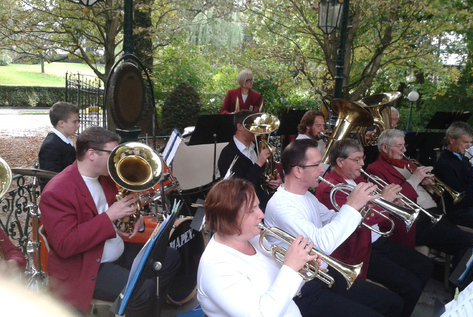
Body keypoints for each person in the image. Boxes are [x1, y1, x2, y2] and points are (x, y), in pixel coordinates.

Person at [39, 126, 180, 316]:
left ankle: (147, 310)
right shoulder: (57, 191)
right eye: (112, 153)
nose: (117, 159)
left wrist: (135, 218)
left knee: (170, 258)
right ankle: (139, 306)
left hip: (115, 251)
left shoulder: (105, 178)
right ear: (91, 154)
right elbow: (65, 245)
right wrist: (109, 217)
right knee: (143, 290)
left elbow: (119, 210)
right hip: (87, 266)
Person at [265, 138, 404, 317]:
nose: (322, 169)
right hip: (303, 289)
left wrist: (362, 210)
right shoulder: (282, 206)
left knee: (393, 302)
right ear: (298, 171)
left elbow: (331, 219)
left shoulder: (306, 196)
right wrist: (352, 206)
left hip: (322, 275)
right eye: (316, 165)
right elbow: (322, 243)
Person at [316, 139, 433, 317]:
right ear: (340, 162)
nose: (362, 164)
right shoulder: (331, 188)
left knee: (426, 266)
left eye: (362, 158)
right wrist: (384, 202)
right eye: (357, 159)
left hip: (378, 242)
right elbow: (357, 223)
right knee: (410, 286)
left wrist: (393, 203)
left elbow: (377, 214)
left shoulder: (359, 179)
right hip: (359, 251)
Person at [197, 178, 318, 316]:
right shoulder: (217, 267)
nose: (261, 214)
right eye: (251, 211)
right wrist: (290, 268)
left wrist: (300, 270)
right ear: (229, 219)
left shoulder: (253, 238)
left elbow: (281, 293)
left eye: (258, 206)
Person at [366, 129, 473, 275]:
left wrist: (430, 186)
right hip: (415, 220)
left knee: (470, 241)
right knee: (468, 241)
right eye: (399, 146)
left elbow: (429, 194)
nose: (404, 150)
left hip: (433, 213)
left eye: (404, 145)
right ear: (385, 148)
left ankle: (460, 278)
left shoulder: (407, 164)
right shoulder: (376, 169)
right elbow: (395, 200)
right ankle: (458, 286)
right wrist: (415, 179)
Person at [434, 121, 473, 234]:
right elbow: (461, 197)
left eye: (470, 142)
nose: (469, 146)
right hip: (459, 211)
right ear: (451, 139)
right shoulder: (444, 164)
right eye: (465, 142)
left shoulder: (463, 159)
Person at [218, 110, 282, 212]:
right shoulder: (227, 154)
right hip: (247, 209)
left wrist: (275, 182)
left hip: (267, 201)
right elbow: (238, 191)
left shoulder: (257, 147)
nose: (257, 130)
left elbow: (263, 178)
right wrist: (258, 164)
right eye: (252, 126)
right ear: (240, 127)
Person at [38, 102, 80, 191]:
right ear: (61, 123)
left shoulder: (64, 140)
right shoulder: (51, 146)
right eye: (75, 122)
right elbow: (49, 179)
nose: (78, 125)